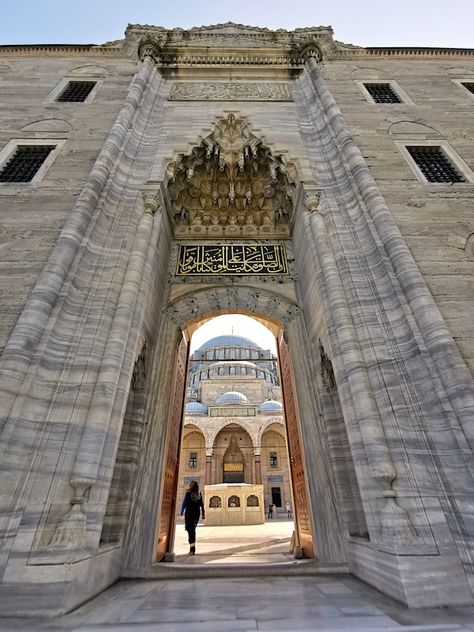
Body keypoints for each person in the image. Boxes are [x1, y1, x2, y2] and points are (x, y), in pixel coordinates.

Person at [180, 480, 205, 555]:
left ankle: (192, 548)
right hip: (192, 514)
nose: (190, 486)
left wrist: (203, 513)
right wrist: (182, 511)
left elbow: (201, 504)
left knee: (191, 530)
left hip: (191, 514)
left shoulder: (196, 494)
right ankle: (192, 546)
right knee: (190, 529)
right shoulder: (194, 494)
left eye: (191, 485)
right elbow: (185, 503)